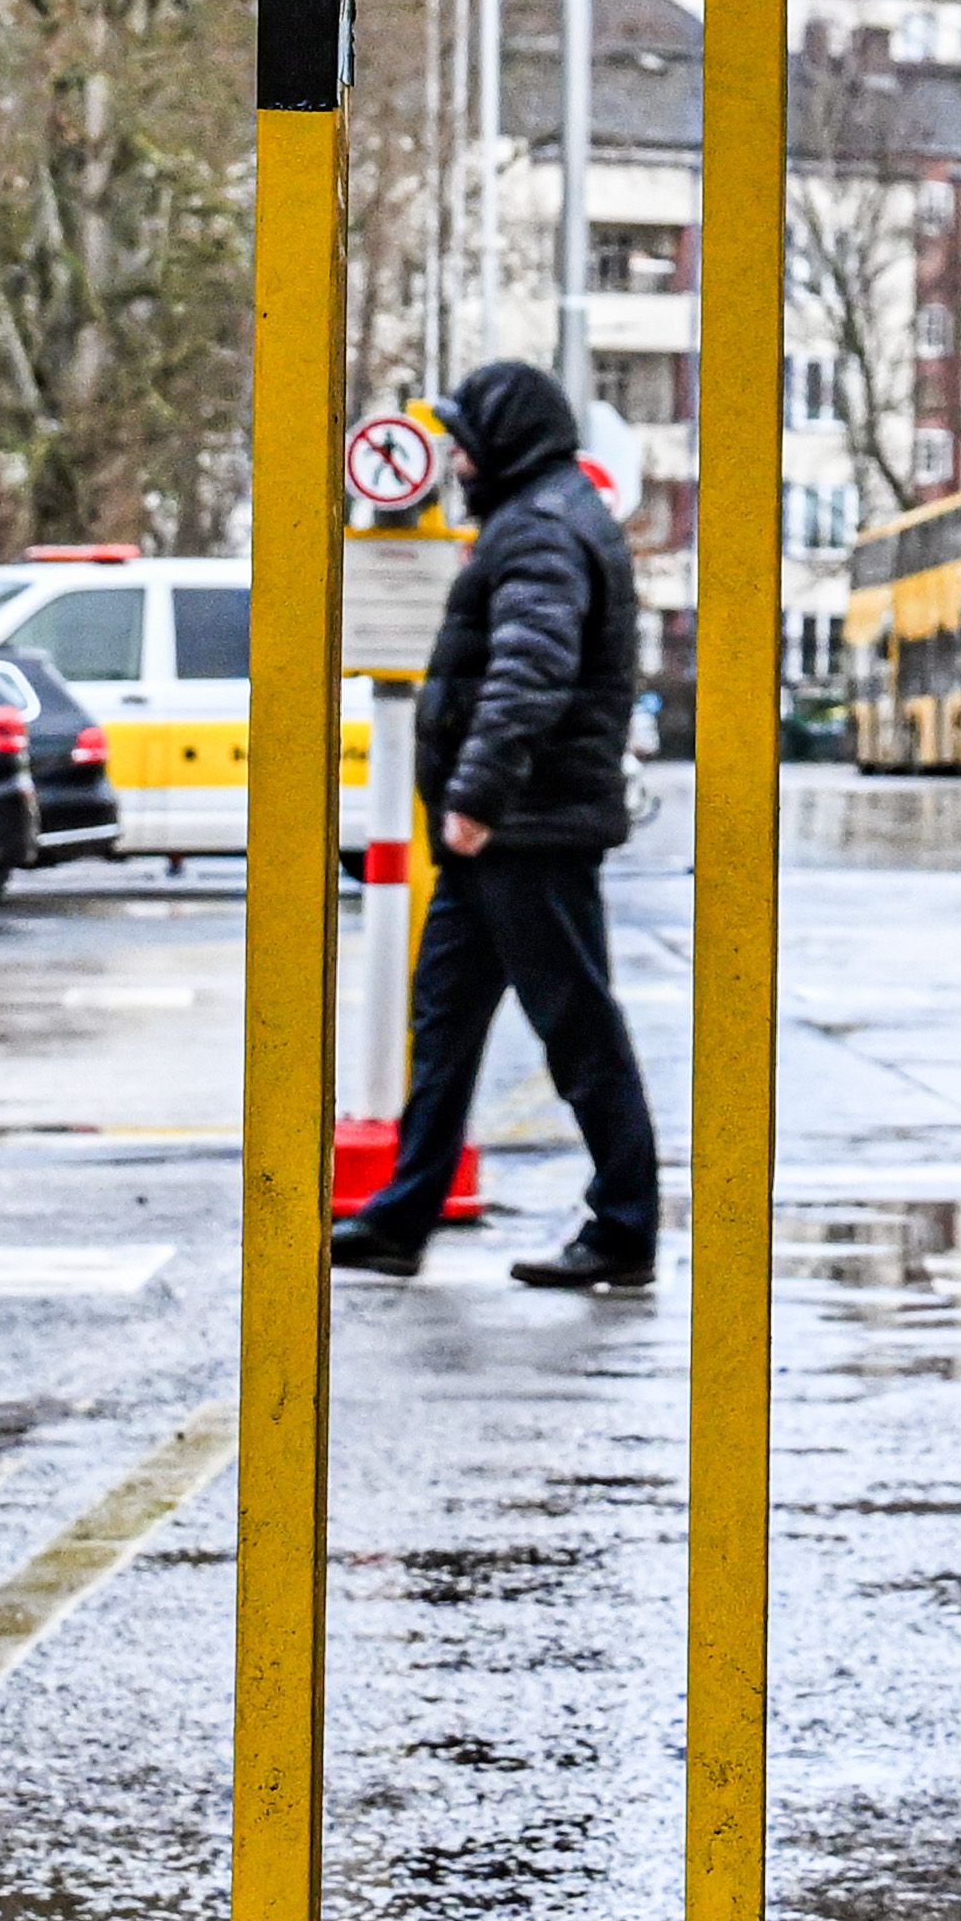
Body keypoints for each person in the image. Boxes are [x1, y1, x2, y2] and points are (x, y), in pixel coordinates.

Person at [341, 358, 658, 1292]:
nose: (458, 461)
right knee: (443, 1019)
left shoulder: (544, 533)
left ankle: (626, 1227)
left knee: (576, 1024)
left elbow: (530, 675)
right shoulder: (535, 520)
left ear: (504, 442)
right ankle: (404, 1213)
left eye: (468, 442)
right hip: (505, 831)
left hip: (528, 829)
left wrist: (475, 801)